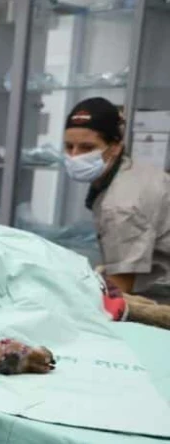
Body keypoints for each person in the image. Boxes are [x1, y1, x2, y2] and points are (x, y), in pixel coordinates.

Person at [63, 97, 170, 304]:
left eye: (87, 148)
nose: (74, 156)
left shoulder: (122, 204)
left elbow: (121, 290)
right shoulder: (131, 171)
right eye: (69, 146)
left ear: (115, 147)